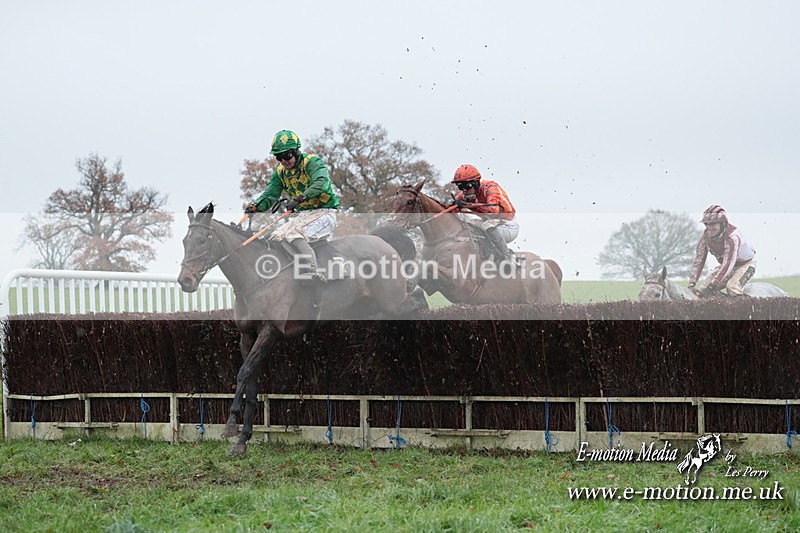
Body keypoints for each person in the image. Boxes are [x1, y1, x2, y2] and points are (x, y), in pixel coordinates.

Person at [245, 129, 339, 282]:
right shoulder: (281, 172)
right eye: (279, 157)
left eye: (287, 155)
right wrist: (256, 207)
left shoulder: (312, 162)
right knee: (275, 236)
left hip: (325, 213)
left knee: (293, 234)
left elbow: (321, 183)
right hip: (304, 216)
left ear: (296, 151)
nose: (284, 161)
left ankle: (313, 272)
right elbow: (270, 194)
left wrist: (301, 197)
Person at [450, 164, 518, 259]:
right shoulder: (464, 195)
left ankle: (508, 257)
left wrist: (466, 205)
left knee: (486, 226)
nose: (464, 190)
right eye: (460, 187)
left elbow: (492, 210)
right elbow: (449, 210)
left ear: (476, 183)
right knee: (469, 224)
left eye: (467, 186)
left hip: (507, 225)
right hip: (491, 224)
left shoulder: (490, 187)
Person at [688, 204, 756, 297]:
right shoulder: (705, 237)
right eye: (707, 224)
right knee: (702, 290)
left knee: (732, 288)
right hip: (726, 265)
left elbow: (728, 264)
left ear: (723, 223)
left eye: (713, 224)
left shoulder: (732, 238)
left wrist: (712, 285)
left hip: (745, 265)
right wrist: (692, 283)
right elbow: (699, 261)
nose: (709, 227)